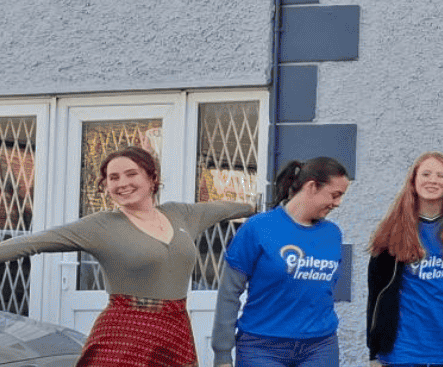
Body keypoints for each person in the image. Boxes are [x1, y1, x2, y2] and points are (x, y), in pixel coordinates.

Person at [0, 147, 253, 367]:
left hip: (174, 332)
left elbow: (227, 209)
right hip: (125, 334)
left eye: (131, 174)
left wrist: (262, 208)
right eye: (113, 178)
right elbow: (32, 243)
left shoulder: (181, 214)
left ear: (152, 178)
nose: (122, 183)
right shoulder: (101, 226)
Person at [211, 156, 352, 367]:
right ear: (312, 186)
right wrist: (222, 354)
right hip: (262, 347)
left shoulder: (332, 234)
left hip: (320, 347)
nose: (338, 203)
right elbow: (229, 293)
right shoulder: (258, 228)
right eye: (335, 195)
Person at [367, 152, 443, 367]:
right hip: (403, 350)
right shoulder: (392, 231)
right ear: (413, 180)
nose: (433, 180)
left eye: (440, 175)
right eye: (426, 174)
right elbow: (376, 294)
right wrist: (374, 352)